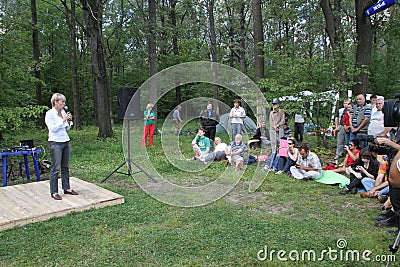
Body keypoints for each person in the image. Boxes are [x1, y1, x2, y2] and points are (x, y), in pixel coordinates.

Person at [44, 93, 78, 200]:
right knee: (55, 167)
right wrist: (62, 120)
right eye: (62, 101)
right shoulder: (50, 114)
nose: (64, 104)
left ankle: (66, 187)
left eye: (64, 102)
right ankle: (54, 191)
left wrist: (69, 121)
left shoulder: (63, 112)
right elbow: (53, 128)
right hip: (55, 142)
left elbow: (66, 128)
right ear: (55, 102)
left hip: (65, 140)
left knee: (65, 166)